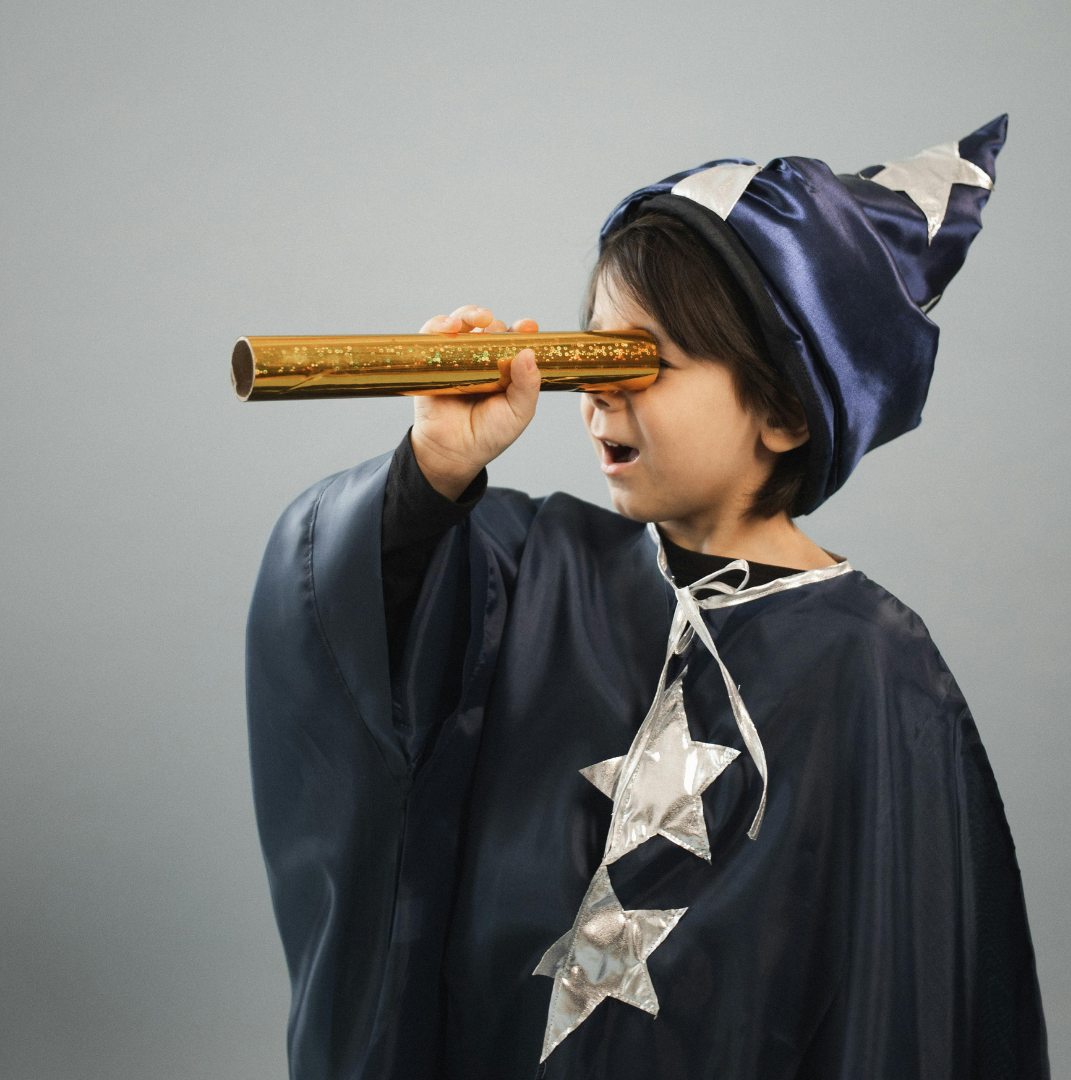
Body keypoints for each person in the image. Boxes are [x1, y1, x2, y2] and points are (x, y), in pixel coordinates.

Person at [246, 115, 1049, 1079]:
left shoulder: (875, 668)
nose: (596, 396)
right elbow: (356, 634)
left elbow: (905, 998)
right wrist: (435, 470)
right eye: (588, 356)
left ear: (784, 409)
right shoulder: (529, 571)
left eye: (641, 363)